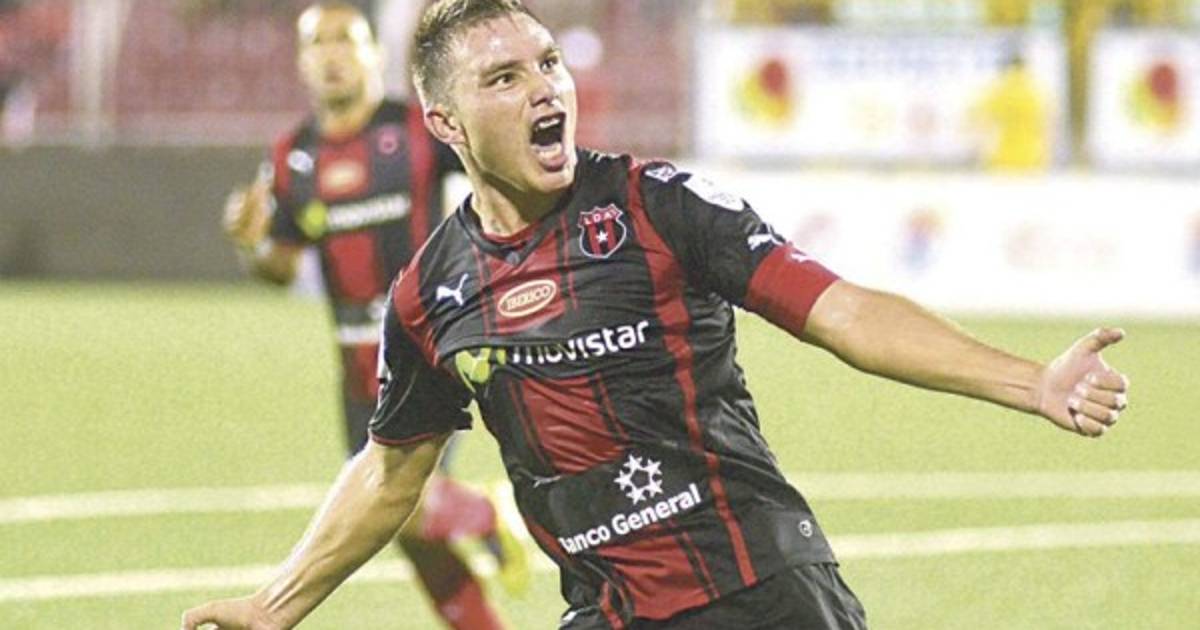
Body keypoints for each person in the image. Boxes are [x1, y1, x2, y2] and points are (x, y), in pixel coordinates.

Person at [184, 1, 1131, 628]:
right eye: (503, 78)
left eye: (548, 62)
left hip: (761, 591)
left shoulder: (659, 206)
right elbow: (393, 469)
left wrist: (1031, 382)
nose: (543, 87)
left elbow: (841, 312)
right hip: (607, 609)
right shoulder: (430, 294)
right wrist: (276, 605)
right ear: (446, 123)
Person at [218, 3, 525, 629]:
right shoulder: (293, 158)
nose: (332, 54)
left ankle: (486, 513)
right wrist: (251, 244)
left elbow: (496, 167)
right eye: (318, 43)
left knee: (400, 505)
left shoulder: (416, 128)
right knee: (405, 532)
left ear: (375, 55)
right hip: (358, 371)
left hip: (432, 347)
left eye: (346, 40)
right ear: (302, 61)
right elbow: (281, 269)